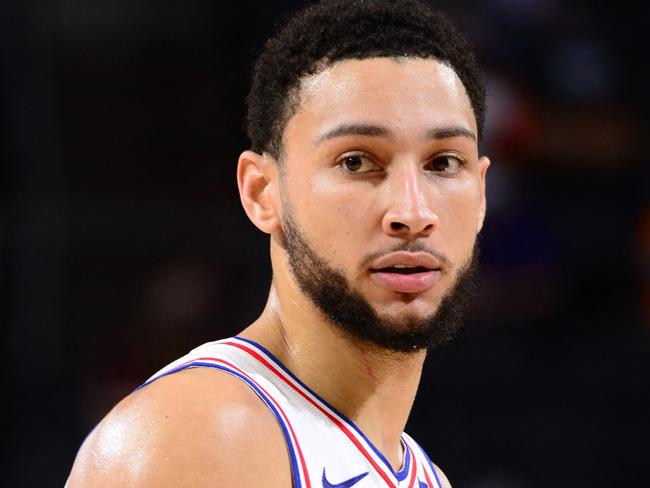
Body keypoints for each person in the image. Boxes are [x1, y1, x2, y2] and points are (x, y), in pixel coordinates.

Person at [66, 0, 489, 486]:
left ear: (480, 194)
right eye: (356, 161)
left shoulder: (421, 474)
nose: (412, 213)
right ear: (262, 193)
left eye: (442, 163)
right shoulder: (197, 438)